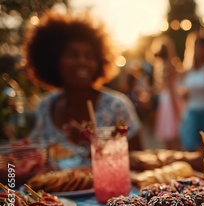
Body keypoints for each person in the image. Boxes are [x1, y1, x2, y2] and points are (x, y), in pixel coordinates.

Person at [25, 12, 142, 168]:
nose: (83, 61)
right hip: (52, 192)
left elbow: (139, 159)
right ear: (54, 60)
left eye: (90, 56)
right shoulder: (45, 105)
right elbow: (36, 156)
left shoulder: (117, 106)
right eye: (73, 55)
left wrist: (90, 141)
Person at [179, 32, 204, 151]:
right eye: (197, 47)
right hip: (192, 112)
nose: (199, 50)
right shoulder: (188, 70)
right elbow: (183, 91)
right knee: (191, 146)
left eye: (202, 47)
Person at [151, 35, 182, 150]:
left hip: (164, 101)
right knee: (174, 137)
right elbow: (172, 88)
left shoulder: (160, 66)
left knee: (167, 137)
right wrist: (177, 110)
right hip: (170, 100)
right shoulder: (170, 65)